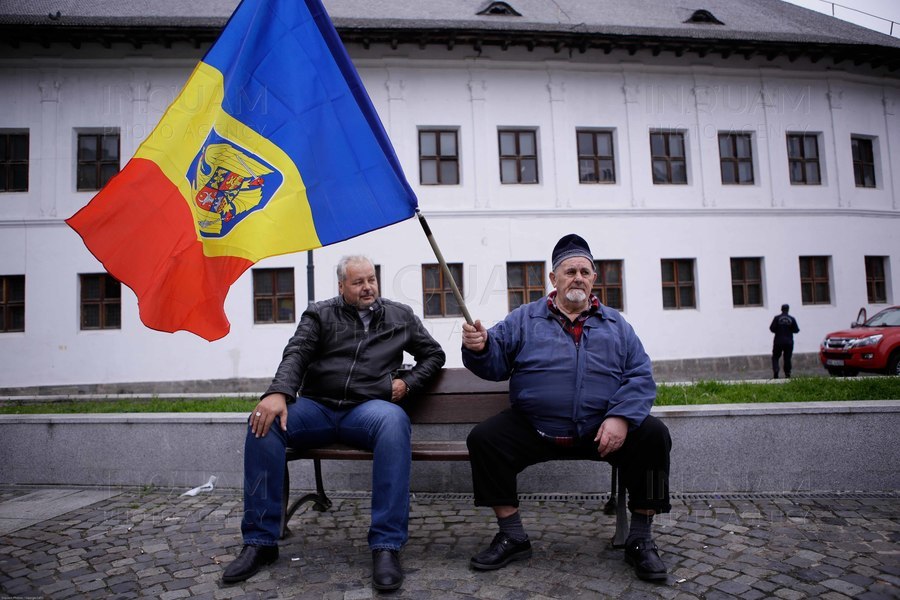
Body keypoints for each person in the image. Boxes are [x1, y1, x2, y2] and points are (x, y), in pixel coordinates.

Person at [222, 255, 446, 592]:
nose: (367, 287)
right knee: (262, 424)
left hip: (367, 410)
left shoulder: (400, 316)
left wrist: (408, 383)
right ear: (341, 286)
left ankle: (386, 546)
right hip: (317, 408)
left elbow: (434, 354)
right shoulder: (320, 314)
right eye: (358, 282)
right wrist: (279, 392)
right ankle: (260, 542)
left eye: (371, 279)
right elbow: (296, 352)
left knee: (394, 424)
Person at [460, 234, 672, 582]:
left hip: (599, 431)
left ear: (594, 279)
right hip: (534, 427)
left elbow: (640, 376)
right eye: (569, 270)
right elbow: (494, 361)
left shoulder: (617, 325)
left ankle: (641, 538)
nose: (578, 277)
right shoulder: (524, 319)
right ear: (553, 278)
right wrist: (480, 347)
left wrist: (620, 417)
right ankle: (512, 534)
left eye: (585, 271)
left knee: (653, 436)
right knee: (485, 439)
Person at [770, 304, 800, 378]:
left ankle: (776, 370)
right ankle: (787, 373)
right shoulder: (792, 319)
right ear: (788, 309)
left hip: (778, 341)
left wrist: (778, 330)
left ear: (781, 309)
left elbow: (772, 328)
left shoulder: (777, 318)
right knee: (787, 358)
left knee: (775, 357)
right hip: (789, 341)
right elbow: (796, 330)